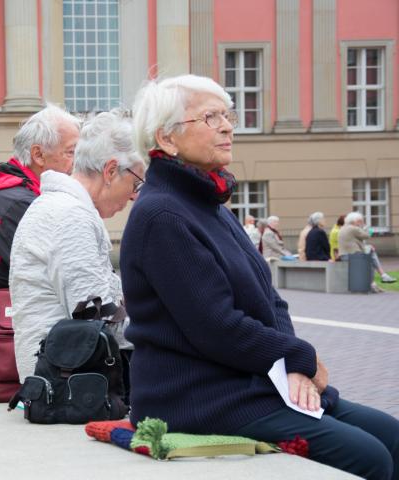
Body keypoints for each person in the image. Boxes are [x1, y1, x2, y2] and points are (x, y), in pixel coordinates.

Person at [122, 74, 399, 480]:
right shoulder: (163, 215)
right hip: (197, 397)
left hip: (250, 382)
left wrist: (295, 367)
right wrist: (299, 357)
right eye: (210, 116)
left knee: (391, 436)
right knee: (369, 457)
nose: (228, 125)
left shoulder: (208, 203)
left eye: (227, 113)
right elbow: (218, 328)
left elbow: (272, 301)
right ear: (167, 139)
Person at [10, 110, 143, 381]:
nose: (133, 195)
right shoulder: (70, 215)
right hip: (71, 384)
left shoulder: (64, 207)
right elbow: (95, 318)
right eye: (136, 182)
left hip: (66, 377)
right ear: (110, 170)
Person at [0, 105, 81, 313]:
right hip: (5, 336)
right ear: (39, 155)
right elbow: (63, 277)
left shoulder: (11, 195)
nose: (77, 162)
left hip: (1, 329)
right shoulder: (17, 204)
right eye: (71, 152)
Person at [338, 212, 396, 284]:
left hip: (345, 255)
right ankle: (382, 276)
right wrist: (365, 227)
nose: (361, 223)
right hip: (353, 256)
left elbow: (354, 242)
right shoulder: (353, 228)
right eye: (360, 221)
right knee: (371, 254)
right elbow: (367, 235)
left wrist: (367, 246)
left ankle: (379, 279)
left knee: (370, 252)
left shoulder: (343, 228)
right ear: (355, 221)